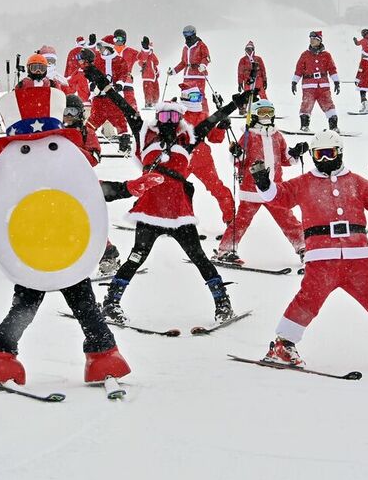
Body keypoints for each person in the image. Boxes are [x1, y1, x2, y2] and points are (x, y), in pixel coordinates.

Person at [0, 86, 165, 386]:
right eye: (26, 146)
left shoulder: (67, 166)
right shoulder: (15, 173)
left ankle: (100, 354)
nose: (40, 150)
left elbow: (96, 192)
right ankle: (0, 355)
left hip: (67, 251)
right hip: (33, 253)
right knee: (27, 309)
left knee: (80, 308)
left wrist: (130, 187)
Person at [83, 53, 252, 325]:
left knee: (199, 259)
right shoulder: (144, 134)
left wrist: (236, 102)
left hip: (178, 213)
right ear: (157, 118)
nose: (169, 121)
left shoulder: (189, 139)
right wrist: (101, 80)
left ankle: (222, 304)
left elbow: (212, 120)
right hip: (150, 211)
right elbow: (122, 104)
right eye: (164, 115)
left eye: (174, 116)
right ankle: (111, 302)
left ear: (180, 119)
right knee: (135, 258)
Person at [247, 129, 368, 370]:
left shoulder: (355, 181)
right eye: (319, 154)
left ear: (340, 153)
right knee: (308, 300)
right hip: (321, 257)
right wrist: (264, 183)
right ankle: (284, 345)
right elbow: (280, 196)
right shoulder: (304, 183)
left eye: (329, 153)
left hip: (358, 256)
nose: (324, 160)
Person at [215, 99, 306, 264]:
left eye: (269, 112)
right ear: (255, 115)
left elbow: (285, 159)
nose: (266, 116)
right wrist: (237, 153)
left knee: (288, 221)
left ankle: (304, 248)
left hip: (274, 190)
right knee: (241, 221)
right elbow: (239, 161)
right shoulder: (249, 135)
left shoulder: (277, 136)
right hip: (252, 189)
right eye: (262, 112)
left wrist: (295, 153)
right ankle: (226, 250)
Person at [62, 93, 120, 275]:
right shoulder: (55, 132)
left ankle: (108, 254)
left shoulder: (87, 132)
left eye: (71, 111)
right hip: (59, 183)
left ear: (80, 113)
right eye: (63, 112)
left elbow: (94, 158)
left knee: (89, 221)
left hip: (82, 184)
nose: (67, 116)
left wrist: (74, 151)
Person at [180, 85, 235, 228]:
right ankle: (167, 220)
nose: (197, 101)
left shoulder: (203, 115)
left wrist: (220, 128)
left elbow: (214, 138)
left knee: (217, 187)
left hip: (201, 158)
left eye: (199, 97)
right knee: (171, 186)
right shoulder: (177, 113)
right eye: (194, 97)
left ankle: (231, 219)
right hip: (181, 158)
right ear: (185, 97)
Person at [87, 35, 136, 155]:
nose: (100, 50)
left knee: (120, 120)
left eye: (101, 47)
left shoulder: (119, 60)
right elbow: (90, 74)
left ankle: (124, 144)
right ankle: (88, 143)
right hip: (99, 98)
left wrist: (119, 84)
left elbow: (123, 74)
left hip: (114, 98)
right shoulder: (97, 60)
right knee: (93, 120)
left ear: (108, 47)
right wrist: (92, 85)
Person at [292, 31, 340, 132]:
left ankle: (333, 127)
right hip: (308, 86)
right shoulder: (305, 55)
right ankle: (304, 126)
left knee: (329, 105)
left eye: (314, 39)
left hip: (323, 86)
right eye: (310, 38)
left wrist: (336, 82)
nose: (311, 40)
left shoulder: (326, 55)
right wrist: (294, 82)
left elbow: (332, 69)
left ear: (319, 40)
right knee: (306, 105)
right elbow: (299, 69)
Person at [169, 25, 211, 112]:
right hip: (187, 76)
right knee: (186, 96)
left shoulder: (201, 45)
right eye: (185, 34)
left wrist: (203, 65)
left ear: (194, 33)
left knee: (199, 95)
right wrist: (174, 71)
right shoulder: (185, 48)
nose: (187, 36)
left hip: (198, 75)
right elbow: (183, 63)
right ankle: (188, 114)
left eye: (189, 33)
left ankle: (204, 114)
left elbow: (206, 57)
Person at [236, 41, 268, 114]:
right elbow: (240, 72)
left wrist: (265, 80)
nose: (249, 51)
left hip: (258, 80)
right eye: (247, 49)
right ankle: (243, 109)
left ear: (253, 49)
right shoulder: (242, 60)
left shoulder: (258, 59)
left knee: (262, 94)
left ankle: (266, 107)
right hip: (247, 80)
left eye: (250, 49)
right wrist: (240, 82)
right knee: (247, 95)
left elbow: (263, 70)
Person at [137, 36, 160, 108]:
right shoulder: (143, 55)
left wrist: (156, 71)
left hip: (154, 76)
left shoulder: (152, 56)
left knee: (156, 90)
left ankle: (155, 102)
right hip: (147, 77)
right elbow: (141, 60)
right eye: (149, 49)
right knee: (148, 90)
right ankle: (148, 103)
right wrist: (145, 50)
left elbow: (156, 62)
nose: (150, 51)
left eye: (151, 49)